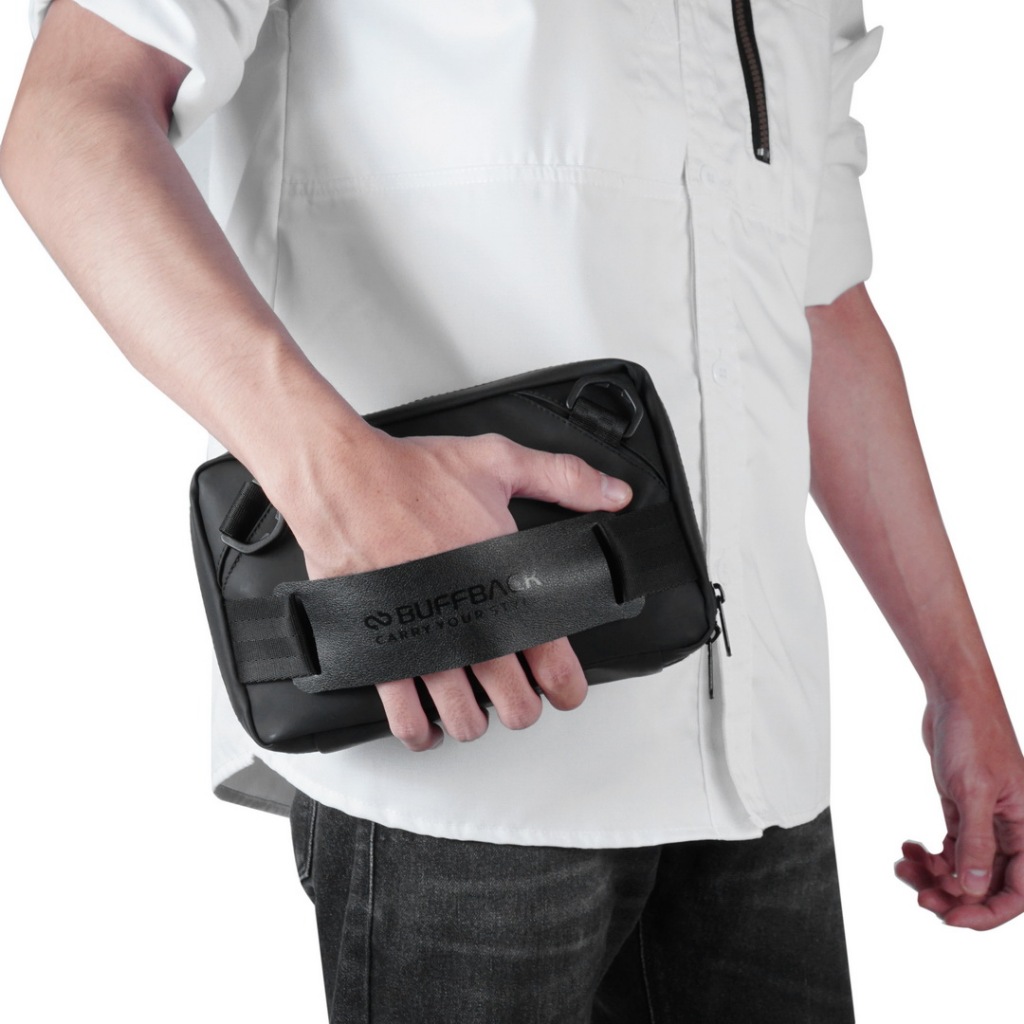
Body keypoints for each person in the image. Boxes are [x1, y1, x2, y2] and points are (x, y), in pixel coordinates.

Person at [2, 1, 1022, 1021]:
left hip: (757, 764)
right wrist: (341, 481)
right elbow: (70, 117)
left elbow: (817, 300)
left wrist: (959, 685)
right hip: (458, 739)